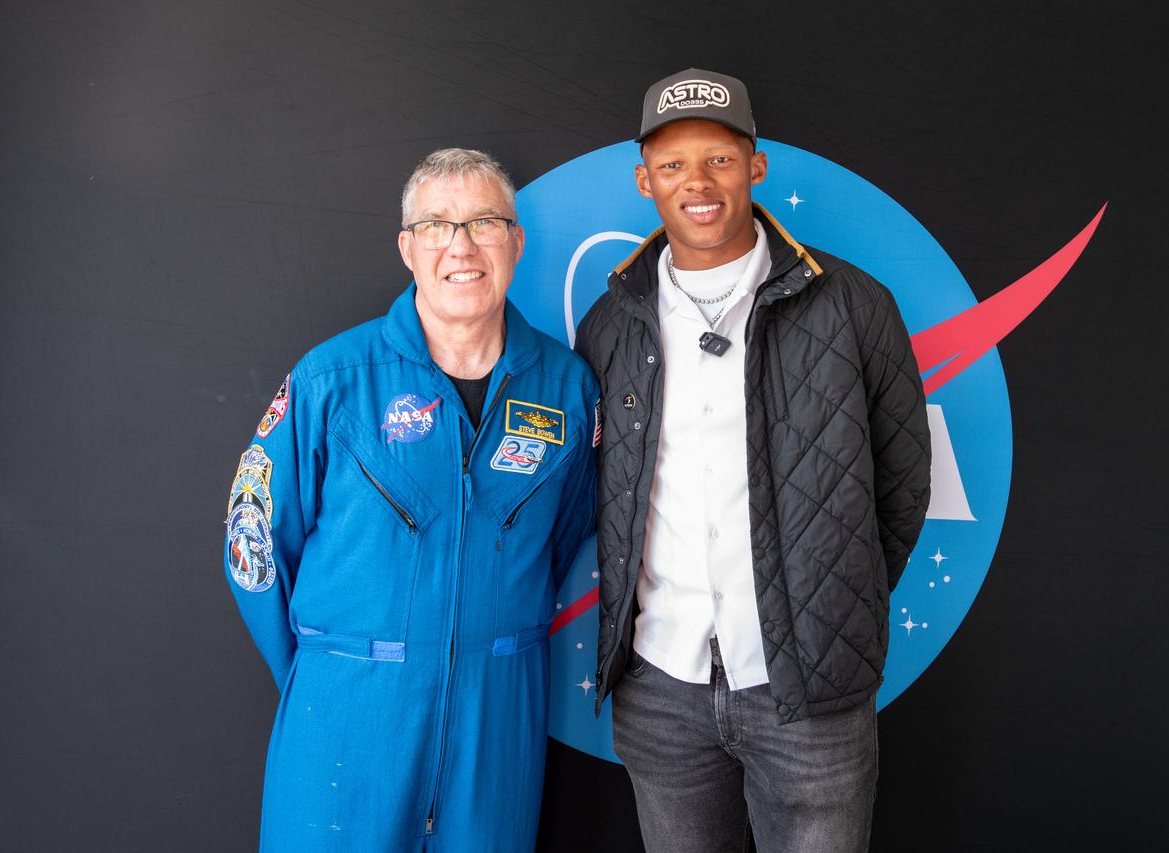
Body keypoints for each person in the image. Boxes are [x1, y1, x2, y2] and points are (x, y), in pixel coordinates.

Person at [575, 69, 932, 853]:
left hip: (810, 692)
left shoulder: (853, 305)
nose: (697, 183)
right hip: (660, 685)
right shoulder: (609, 324)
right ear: (644, 181)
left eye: (719, 159)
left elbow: (902, 485)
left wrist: (833, 605)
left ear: (756, 166)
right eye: (672, 165)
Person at [223, 148, 599, 851]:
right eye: (436, 225)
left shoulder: (568, 390)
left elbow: (568, 530)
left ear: (516, 241)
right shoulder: (333, 379)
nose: (461, 245)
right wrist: (330, 672)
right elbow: (254, 543)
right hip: (346, 722)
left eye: (485, 221)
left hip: (498, 721)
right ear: (407, 247)